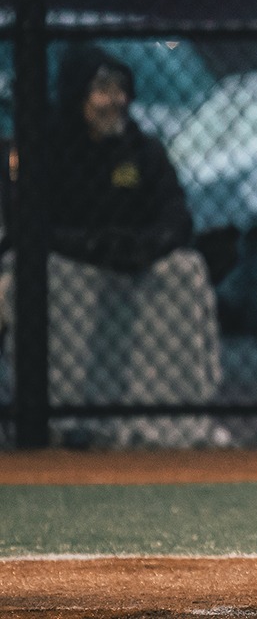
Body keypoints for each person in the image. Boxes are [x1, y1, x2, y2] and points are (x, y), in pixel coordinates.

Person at [0, 44, 227, 448]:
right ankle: (64, 416)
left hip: (134, 265)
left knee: (184, 270)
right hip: (69, 263)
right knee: (32, 272)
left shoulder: (143, 150)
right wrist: (90, 246)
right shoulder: (46, 150)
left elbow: (176, 215)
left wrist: (143, 245)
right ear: (78, 94)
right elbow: (27, 227)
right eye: (103, 89)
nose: (115, 101)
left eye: (121, 89)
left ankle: (170, 417)